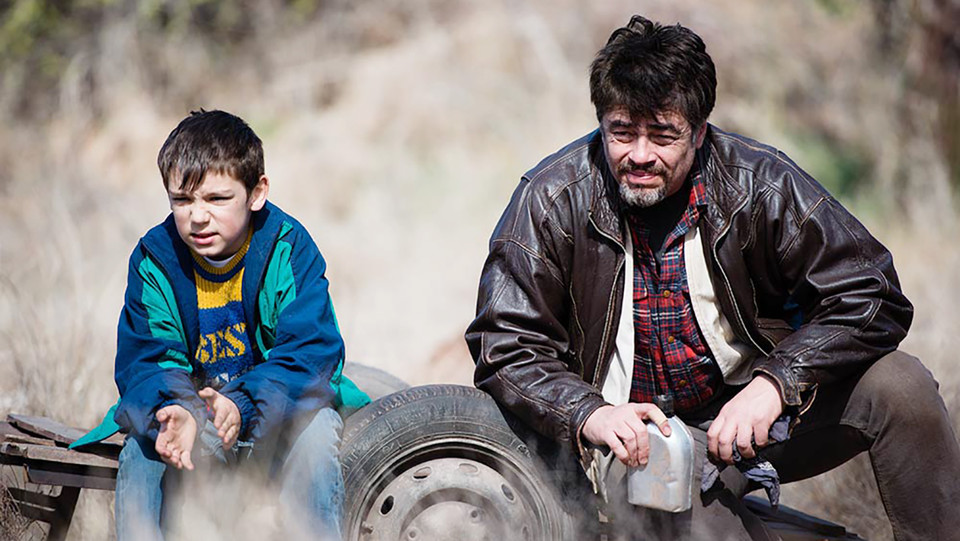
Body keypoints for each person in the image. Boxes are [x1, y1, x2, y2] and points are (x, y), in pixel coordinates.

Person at [466, 15, 960, 541]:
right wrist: (590, 414)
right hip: (633, 446)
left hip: (758, 417)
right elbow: (505, 345)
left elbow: (872, 293)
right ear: (601, 124)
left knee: (900, 385)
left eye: (662, 136)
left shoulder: (760, 183)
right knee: (678, 501)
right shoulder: (550, 199)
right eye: (621, 133)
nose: (638, 155)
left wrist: (777, 383)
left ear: (699, 132)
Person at [73, 110, 369, 540]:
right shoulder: (156, 259)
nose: (197, 217)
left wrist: (240, 404)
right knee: (143, 450)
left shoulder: (287, 248)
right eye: (182, 200)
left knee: (318, 433)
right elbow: (146, 359)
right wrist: (175, 411)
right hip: (195, 416)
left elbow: (311, 353)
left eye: (216, 199)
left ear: (257, 192)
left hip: (277, 412)